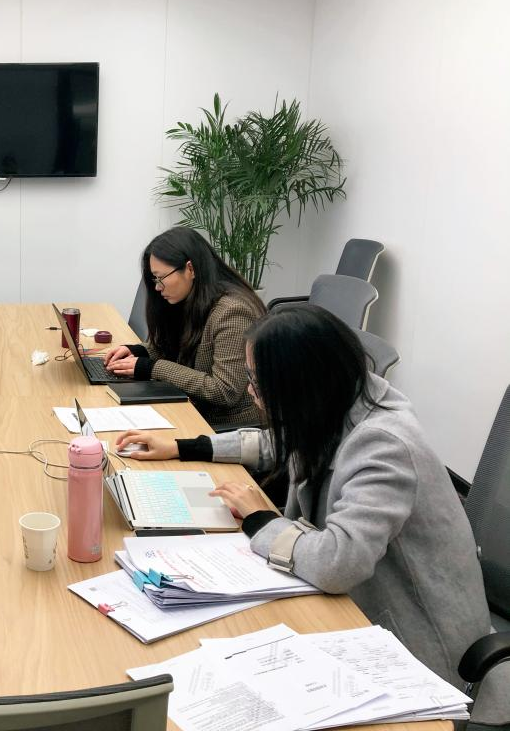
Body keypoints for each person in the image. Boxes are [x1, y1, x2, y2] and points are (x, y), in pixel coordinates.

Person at [114, 305, 493, 690]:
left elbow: (338, 564)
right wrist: (183, 446)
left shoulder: (384, 445)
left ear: (300, 383)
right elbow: (275, 443)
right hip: (354, 611)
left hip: (418, 649)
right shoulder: (338, 400)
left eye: (257, 382)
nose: (250, 391)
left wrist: (261, 519)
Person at [103, 227, 266, 428]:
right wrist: (139, 351)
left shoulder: (233, 311)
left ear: (190, 269)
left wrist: (152, 368)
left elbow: (224, 391)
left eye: (161, 278)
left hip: (225, 425)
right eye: (155, 279)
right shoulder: (188, 299)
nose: (157, 287)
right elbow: (171, 348)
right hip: (190, 407)